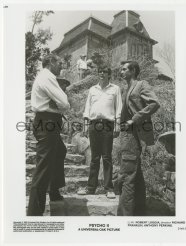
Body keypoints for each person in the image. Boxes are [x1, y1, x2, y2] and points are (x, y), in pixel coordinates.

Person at [27, 54, 70, 216]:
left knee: (60, 151)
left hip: (48, 121)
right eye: (60, 63)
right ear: (51, 62)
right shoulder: (48, 76)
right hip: (47, 123)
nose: (61, 66)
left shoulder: (45, 76)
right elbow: (65, 102)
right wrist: (59, 103)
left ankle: (54, 189)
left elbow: (60, 103)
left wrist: (57, 104)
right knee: (43, 169)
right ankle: (34, 213)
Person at [117, 61, 160, 216]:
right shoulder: (126, 88)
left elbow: (154, 103)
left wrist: (134, 119)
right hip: (127, 133)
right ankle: (140, 210)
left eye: (124, 69)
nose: (120, 72)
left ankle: (124, 216)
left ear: (133, 70)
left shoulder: (142, 84)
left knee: (128, 173)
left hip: (134, 133)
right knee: (135, 171)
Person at [78, 65, 122, 199]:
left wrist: (117, 125)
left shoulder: (115, 89)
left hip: (108, 125)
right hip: (93, 124)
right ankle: (91, 187)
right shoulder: (92, 89)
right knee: (94, 158)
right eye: (100, 71)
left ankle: (109, 188)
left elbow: (118, 108)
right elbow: (87, 108)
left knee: (107, 157)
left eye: (104, 71)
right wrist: (85, 125)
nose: (102, 73)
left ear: (109, 74)